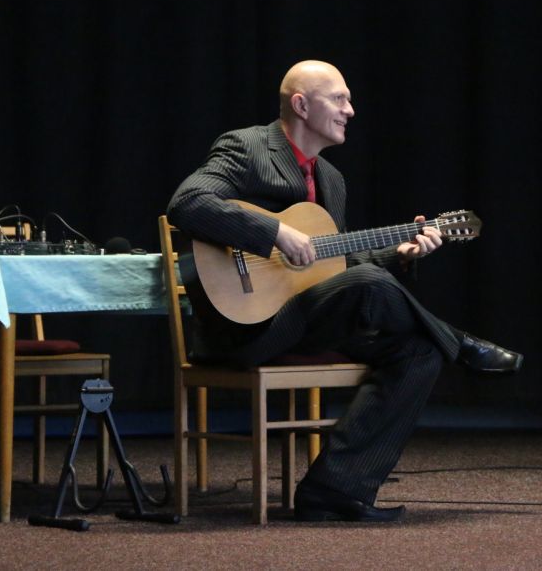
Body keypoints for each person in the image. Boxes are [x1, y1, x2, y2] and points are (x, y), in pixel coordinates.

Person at [167, 59, 522, 522]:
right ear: (301, 105)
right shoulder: (248, 147)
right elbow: (188, 202)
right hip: (245, 326)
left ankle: (335, 489)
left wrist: (401, 254)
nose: (350, 110)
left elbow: (337, 267)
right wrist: (275, 233)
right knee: (371, 287)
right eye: (339, 99)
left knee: (419, 351)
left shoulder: (331, 181)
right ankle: (462, 344)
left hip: (307, 318)